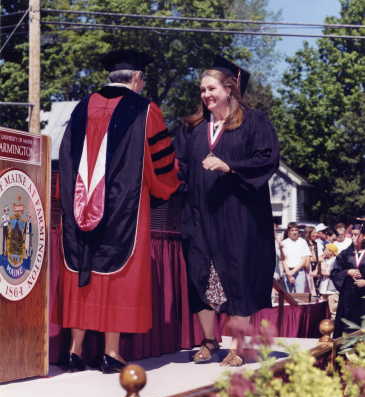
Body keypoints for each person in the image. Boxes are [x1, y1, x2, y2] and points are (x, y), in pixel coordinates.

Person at [59, 49, 181, 372]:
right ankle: (111, 353)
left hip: (79, 206)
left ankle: (74, 351)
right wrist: (171, 185)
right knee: (116, 275)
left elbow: (66, 160)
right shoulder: (145, 110)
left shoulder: (81, 107)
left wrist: (72, 201)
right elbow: (163, 166)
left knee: (82, 271)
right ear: (137, 79)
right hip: (126, 209)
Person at [175, 55, 279, 367]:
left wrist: (230, 165)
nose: (206, 94)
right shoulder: (192, 128)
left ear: (229, 89)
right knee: (199, 277)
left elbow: (267, 159)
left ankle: (240, 347)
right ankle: (209, 341)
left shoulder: (253, 122)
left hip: (239, 218)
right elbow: (177, 168)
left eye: (211, 88)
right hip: (199, 215)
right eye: (202, 90)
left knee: (238, 276)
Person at [331, 221, 365, 338]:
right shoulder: (345, 254)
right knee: (346, 328)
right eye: (353, 235)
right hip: (348, 298)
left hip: (363, 299)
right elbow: (335, 272)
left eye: (357, 235)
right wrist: (347, 272)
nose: (354, 238)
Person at [282, 223, 311, 294]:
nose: (294, 232)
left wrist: (293, 271)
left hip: (299, 272)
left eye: (296, 230)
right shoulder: (284, 243)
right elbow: (283, 259)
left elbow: (304, 259)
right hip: (287, 271)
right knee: (288, 296)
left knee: (300, 296)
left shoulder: (302, 242)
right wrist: (289, 273)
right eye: (292, 230)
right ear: (288, 232)